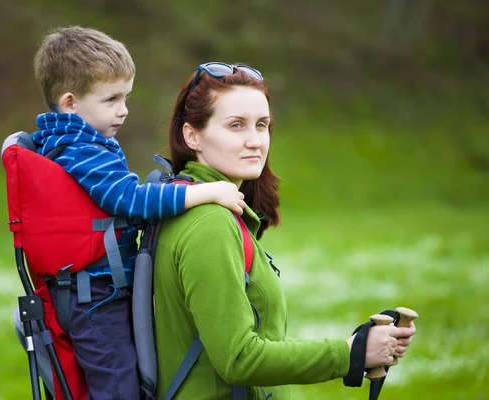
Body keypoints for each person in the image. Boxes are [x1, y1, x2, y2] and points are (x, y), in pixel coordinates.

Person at [153, 62, 417, 399]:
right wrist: (351, 353)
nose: (255, 141)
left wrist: (360, 347)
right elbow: (239, 359)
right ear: (193, 136)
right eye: (236, 125)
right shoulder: (209, 224)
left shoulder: (187, 203)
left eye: (261, 125)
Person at [31, 28, 246, 399]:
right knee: (118, 386)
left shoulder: (79, 141)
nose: (123, 109)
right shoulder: (81, 149)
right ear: (70, 103)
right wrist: (206, 192)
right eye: (111, 99)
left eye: (126, 97)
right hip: (95, 297)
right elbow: (128, 200)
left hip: (97, 289)